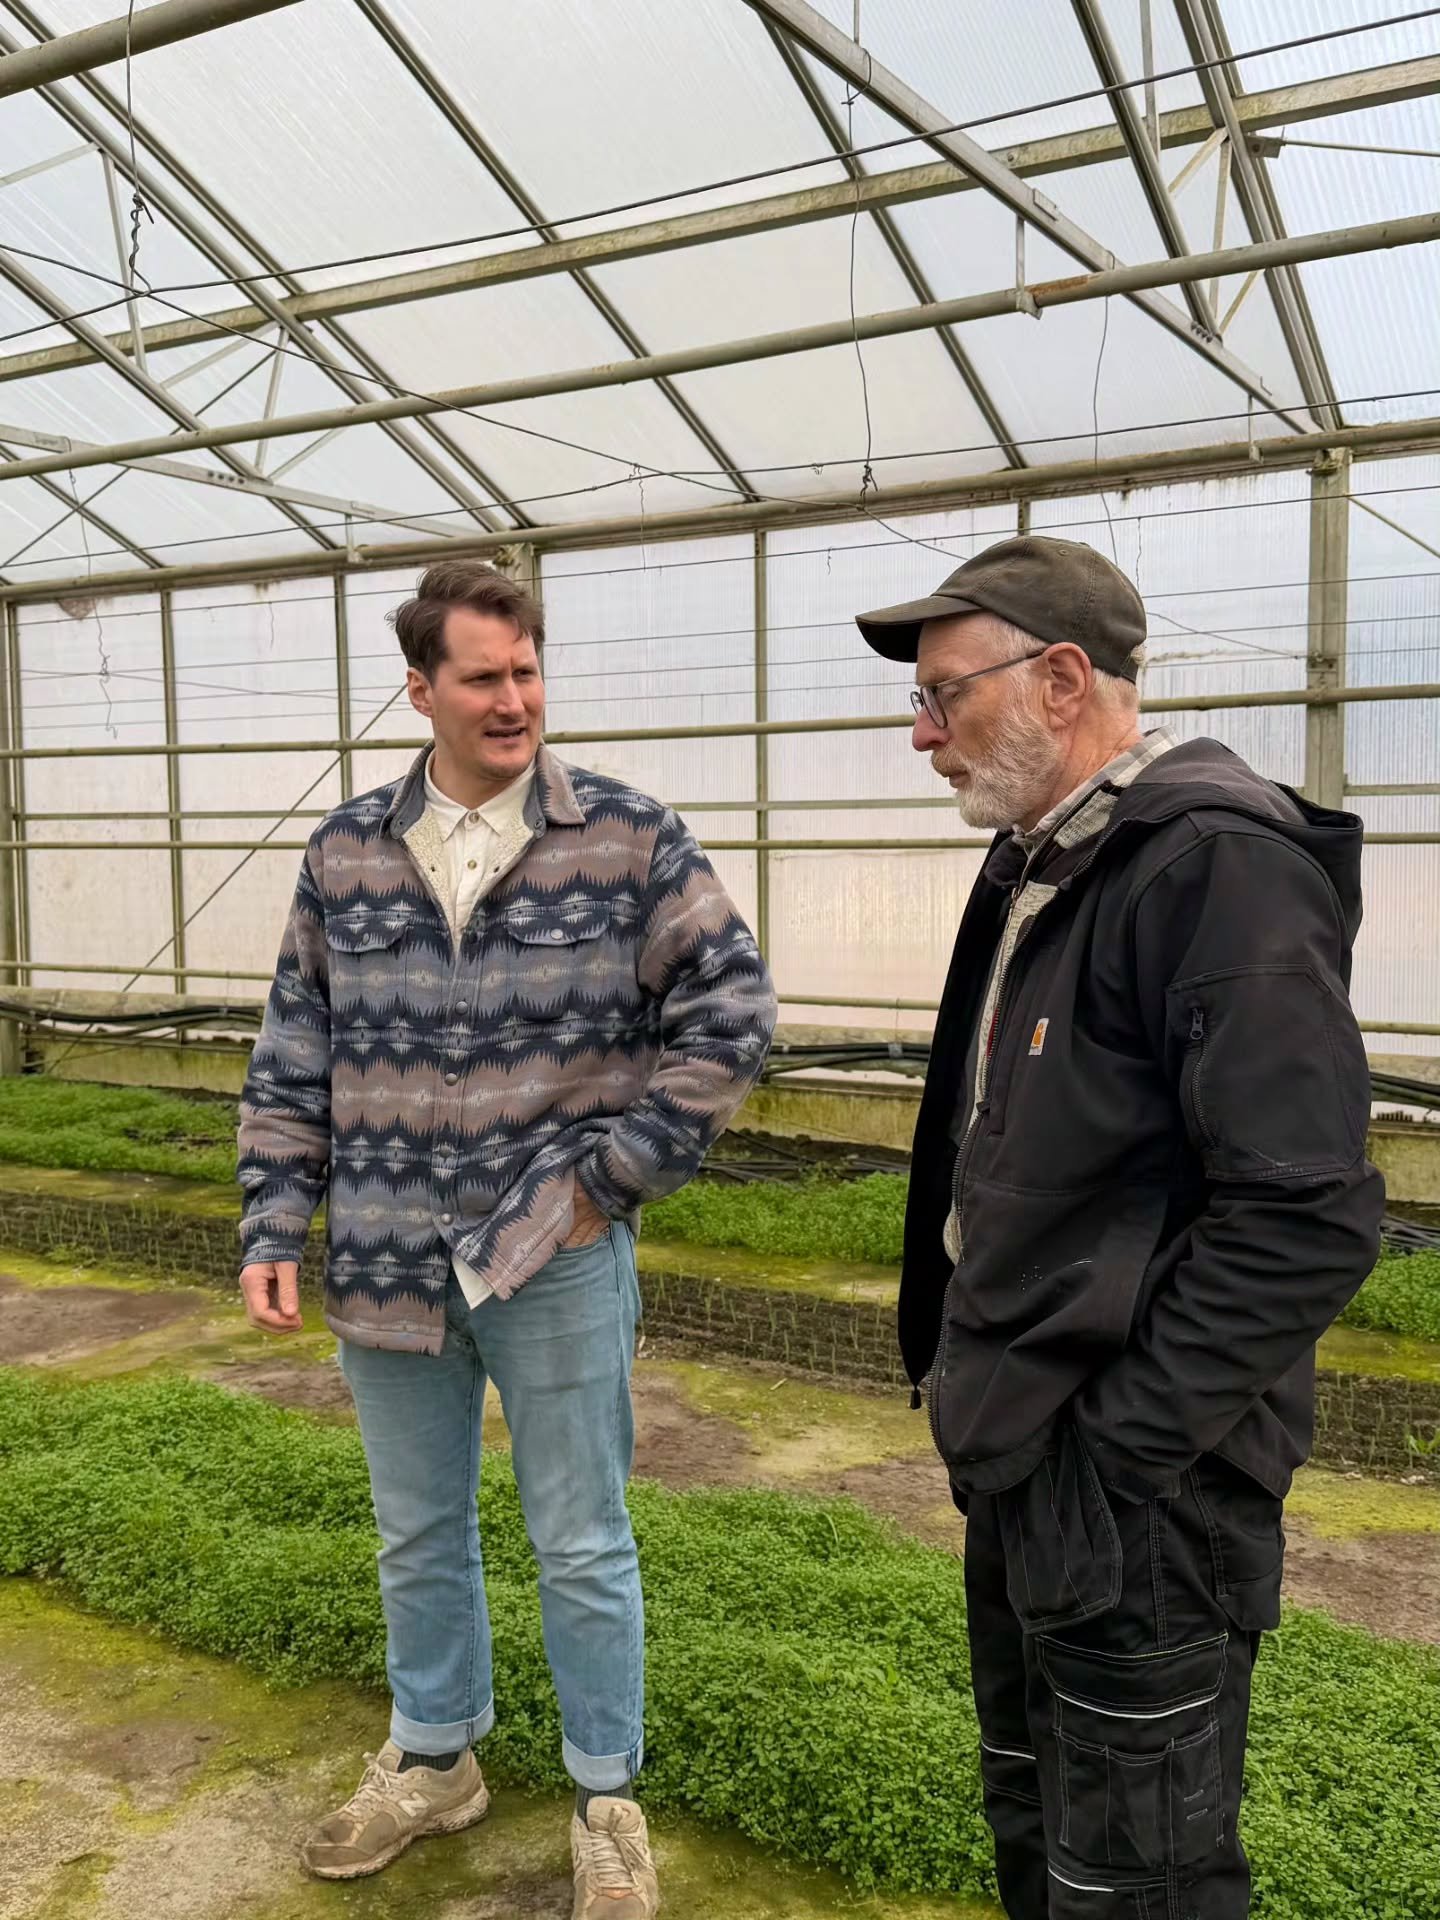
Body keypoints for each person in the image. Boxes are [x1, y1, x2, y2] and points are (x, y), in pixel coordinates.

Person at [237, 559, 777, 1918]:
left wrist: (614, 1178)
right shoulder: (346, 853)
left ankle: (605, 1796)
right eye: (484, 675)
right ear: (419, 689)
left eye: (528, 669)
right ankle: (436, 1761)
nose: (516, 697)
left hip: (554, 1251)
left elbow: (734, 1012)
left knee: (581, 1537)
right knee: (417, 1534)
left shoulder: (629, 840)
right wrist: (272, 1216)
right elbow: (295, 1045)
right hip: (380, 1253)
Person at [855, 535, 1383, 1920]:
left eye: (944, 695)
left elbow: (1309, 1216)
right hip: (1030, 1459)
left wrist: (1114, 1457)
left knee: (1142, 1877)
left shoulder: (1213, 868)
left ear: (1063, 679)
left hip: (1145, 1498)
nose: (924, 735)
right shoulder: (1045, 860)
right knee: (1045, 1821)